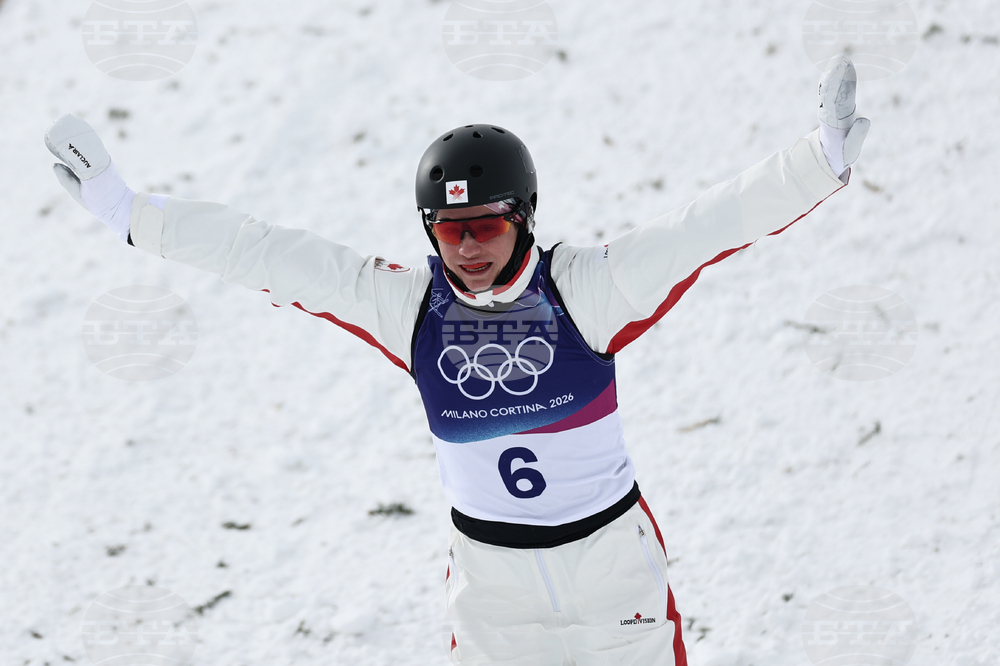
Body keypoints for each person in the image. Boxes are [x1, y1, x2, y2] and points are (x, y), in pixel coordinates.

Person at [45, 56, 870, 665]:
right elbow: (265, 254)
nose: (468, 249)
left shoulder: (587, 289)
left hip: (612, 569)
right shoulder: (410, 309)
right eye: (449, 230)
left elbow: (708, 226)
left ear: (525, 217)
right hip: (493, 585)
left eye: (486, 227)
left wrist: (819, 159)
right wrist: (128, 212)